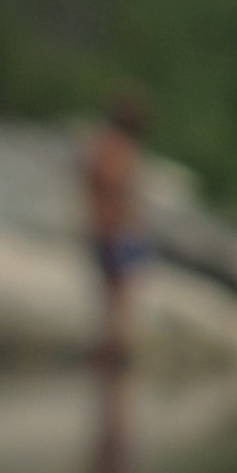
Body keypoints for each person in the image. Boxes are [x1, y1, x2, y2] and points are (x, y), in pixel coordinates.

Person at [83, 87, 148, 367]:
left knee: (117, 293)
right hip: (113, 231)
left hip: (114, 230)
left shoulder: (110, 147)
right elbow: (111, 186)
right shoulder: (114, 149)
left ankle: (113, 348)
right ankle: (112, 350)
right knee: (116, 293)